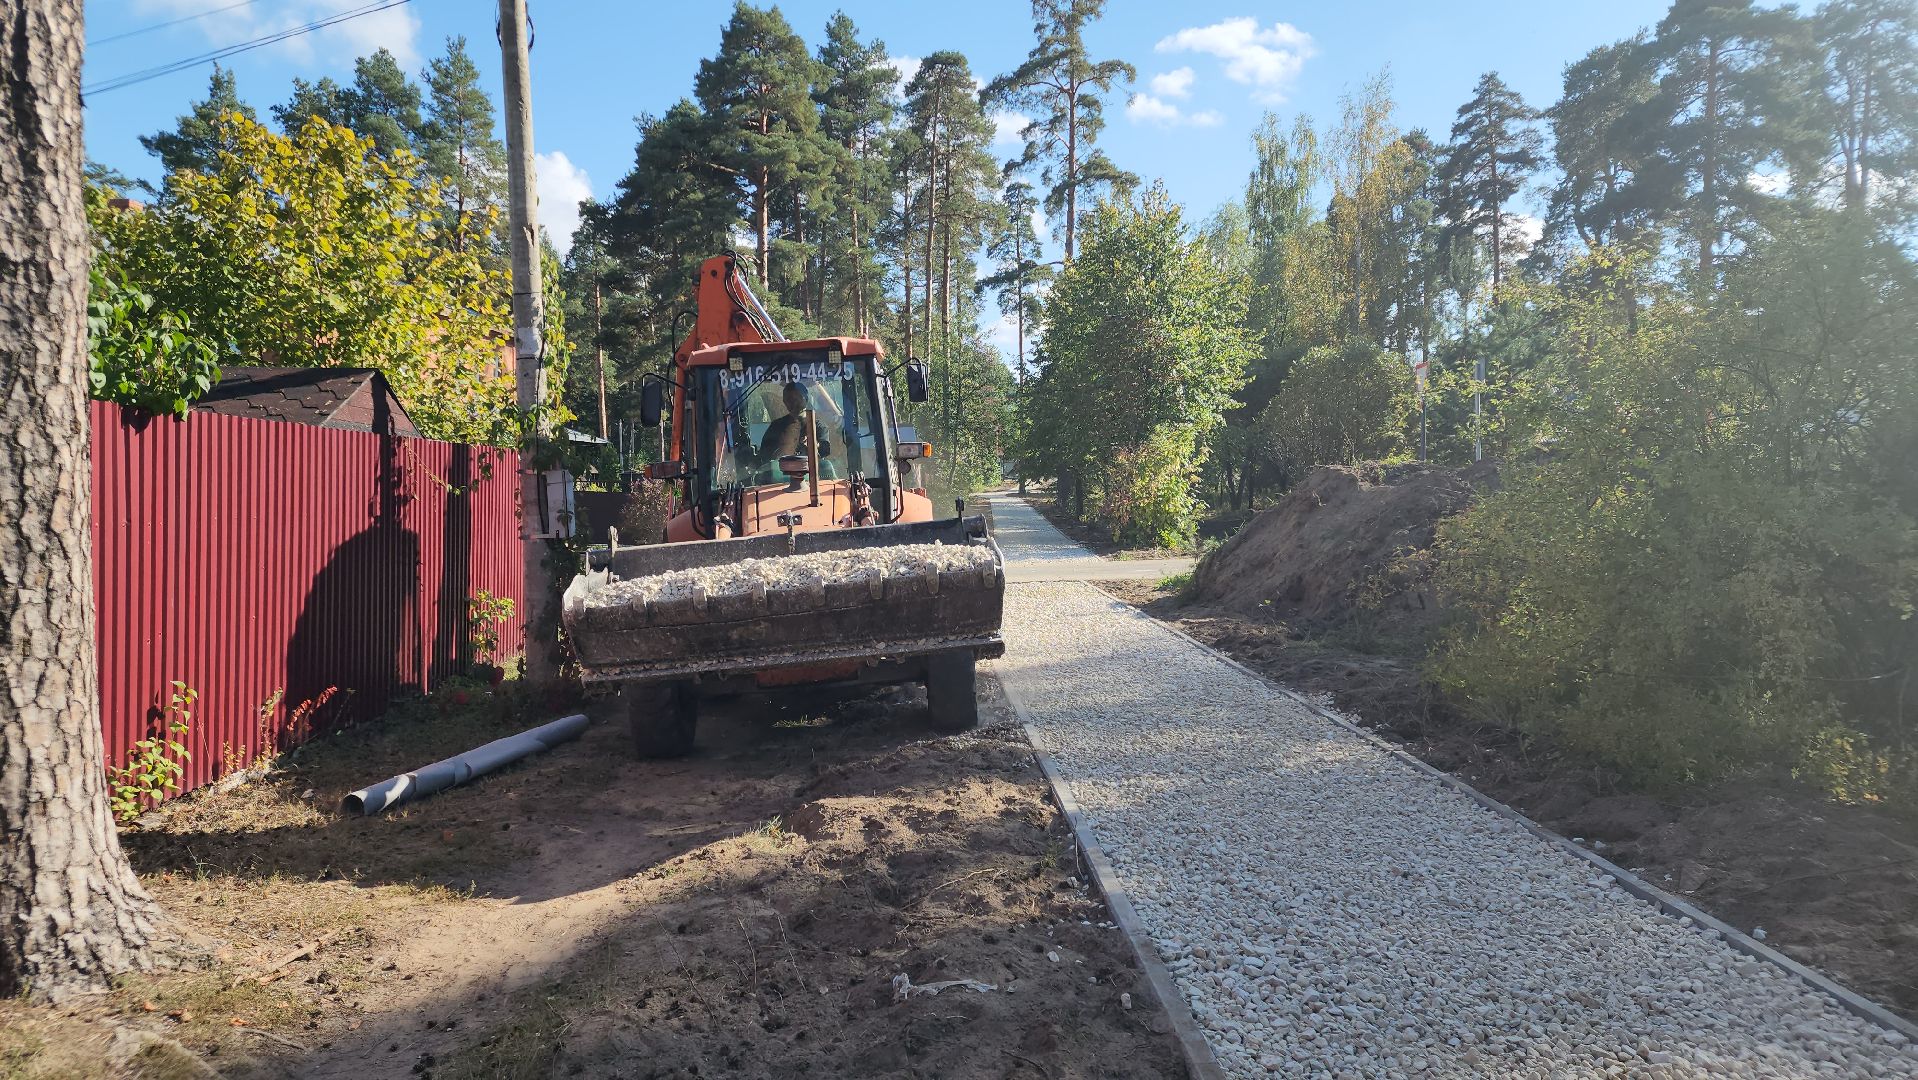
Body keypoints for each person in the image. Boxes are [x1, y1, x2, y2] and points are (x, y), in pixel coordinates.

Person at [757, 381, 832, 462]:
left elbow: (825, 451)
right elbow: (764, 455)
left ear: (806, 398)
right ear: (784, 402)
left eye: (797, 398)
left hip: (812, 473)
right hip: (781, 473)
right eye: (789, 399)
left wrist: (814, 444)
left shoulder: (818, 427)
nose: (794, 403)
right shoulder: (776, 427)